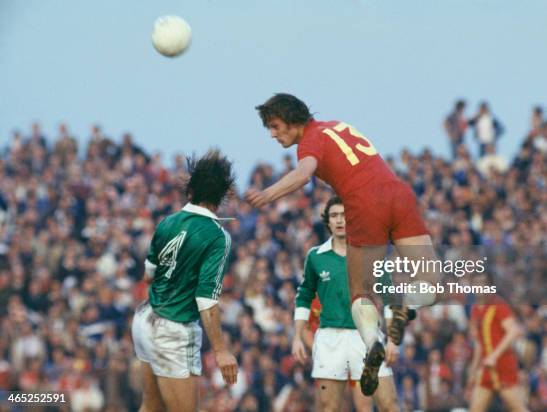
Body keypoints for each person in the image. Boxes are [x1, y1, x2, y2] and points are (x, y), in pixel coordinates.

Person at [246, 93, 440, 396]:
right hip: (398, 194)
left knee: (359, 294)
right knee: (431, 281)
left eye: (274, 126)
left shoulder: (310, 140)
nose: (272, 134)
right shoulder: (337, 126)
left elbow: (304, 173)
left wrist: (268, 195)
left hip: (365, 203)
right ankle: (405, 304)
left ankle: (372, 344)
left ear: (292, 120)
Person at [131, 150, 238, 412]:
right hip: (174, 328)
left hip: (146, 318)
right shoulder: (217, 236)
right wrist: (221, 350)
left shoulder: (167, 222)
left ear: (190, 191)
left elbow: (148, 276)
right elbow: (205, 299)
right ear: (222, 195)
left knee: (151, 406)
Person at [292, 197, 399, 411]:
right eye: (334, 216)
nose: (340, 220)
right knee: (329, 408)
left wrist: (393, 339)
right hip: (330, 339)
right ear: (328, 222)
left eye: (344, 215)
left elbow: (390, 296)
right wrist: (297, 336)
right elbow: (304, 296)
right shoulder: (315, 256)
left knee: (388, 405)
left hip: (367, 339)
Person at [467, 274, 527, 412]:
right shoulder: (475, 309)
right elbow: (479, 343)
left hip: (503, 366)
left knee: (517, 408)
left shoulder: (498, 305)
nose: (478, 287)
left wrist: (494, 355)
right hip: (486, 367)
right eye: (475, 283)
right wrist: (473, 368)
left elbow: (513, 331)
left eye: (482, 283)